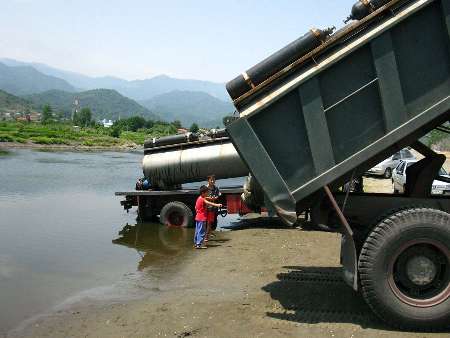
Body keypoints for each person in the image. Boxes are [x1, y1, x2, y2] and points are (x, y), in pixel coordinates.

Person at [194, 185, 222, 249]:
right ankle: (199, 244)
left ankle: (196, 243)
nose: (208, 193)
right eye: (207, 192)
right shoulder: (203, 199)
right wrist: (217, 205)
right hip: (202, 218)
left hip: (197, 217)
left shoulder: (199, 198)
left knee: (197, 231)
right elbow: (209, 203)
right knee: (201, 231)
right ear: (203, 193)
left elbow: (195, 207)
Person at [205, 175, 221, 241]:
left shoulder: (216, 188)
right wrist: (210, 198)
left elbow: (218, 195)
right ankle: (206, 237)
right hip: (206, 207)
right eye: (211, 180)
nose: (212, 181)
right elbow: (203, 197)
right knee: (207, 222)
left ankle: (210, 232)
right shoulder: (205, 188)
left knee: (211, 221)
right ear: (208, 180)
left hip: (213, 208)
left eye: (213, 180)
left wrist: (215, 197)